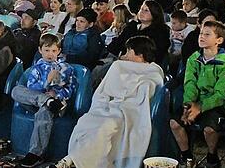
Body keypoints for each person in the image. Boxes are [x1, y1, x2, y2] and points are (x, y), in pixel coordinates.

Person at [57, 36, 164, 168]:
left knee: (105, 127)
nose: (125, 55)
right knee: (86, 122)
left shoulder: (153, 72)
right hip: (108, 107)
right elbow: (105, 91)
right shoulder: (119, 66)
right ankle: (79, 161)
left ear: (140, 54)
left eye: (128, 51)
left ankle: (72, 161)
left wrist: (122, 101)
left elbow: (142, 100)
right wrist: (109, 103)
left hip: (129, 113)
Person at [169, 21, 225, 168]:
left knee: (209, 129)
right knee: (175, 123)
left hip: (217, 104)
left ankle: (212, 156)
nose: (201, 37)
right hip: (196, 102)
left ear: (219, 40)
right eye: (201, 34)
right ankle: (187, 157)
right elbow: (190, 83)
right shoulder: (194, 58)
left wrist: (200, 107)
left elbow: (221, 94)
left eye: (207, 34)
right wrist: (188, 104)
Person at [12, 33, 77, 167]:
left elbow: (70, 88)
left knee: (45, 110)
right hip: (37, 101)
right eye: (46, 50)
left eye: (53, 50)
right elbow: (31, 88)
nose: (50, 54)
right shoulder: (36, 68)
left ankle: (35, 154)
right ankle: (47, 101)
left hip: (58, 105)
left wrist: (57, 95)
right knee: (16, 90)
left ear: (59, 51)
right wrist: (46, 83)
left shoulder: (66, 68)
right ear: (40, 50)